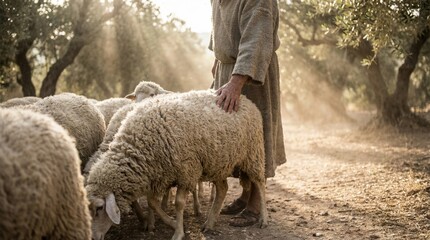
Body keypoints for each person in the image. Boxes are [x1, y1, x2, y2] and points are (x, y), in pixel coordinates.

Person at [209, 0, 287, 227]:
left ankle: (255, 204)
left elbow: (257, 40)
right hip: (229, 70)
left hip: (253, 74)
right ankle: (245, 195)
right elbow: (219, 32)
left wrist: (236, 81)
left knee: (257, 138)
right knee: (236, 140)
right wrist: (217, 64)